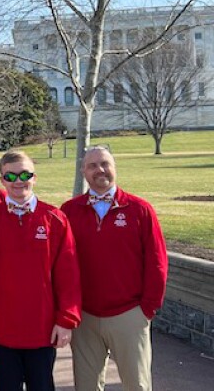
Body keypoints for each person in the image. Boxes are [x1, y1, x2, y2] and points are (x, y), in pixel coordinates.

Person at [0, 150, 81, 391]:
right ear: (2, 180)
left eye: (25, 174)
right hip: (1, 330)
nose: (19, 182)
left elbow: (68, 275)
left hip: (43, 330)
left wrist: (66, 320)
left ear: (34, 177)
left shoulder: (55, 219)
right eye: (11, 176)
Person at [61, 147, 168, 391]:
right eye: (92, 165)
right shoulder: (69, 211)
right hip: (85, 317)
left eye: (105, 163)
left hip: (129, 314)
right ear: (83, 171)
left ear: (114, 167)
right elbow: (61, 263)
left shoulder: (139, 210)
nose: (99, 170)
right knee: (86, 386)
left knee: (136, 385)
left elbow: (157, 262)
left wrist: (147, 309)